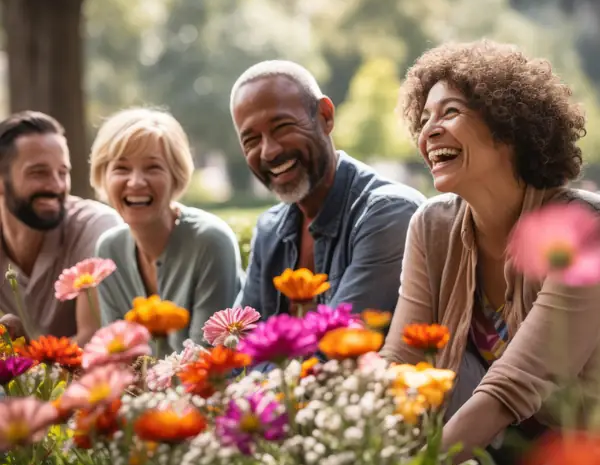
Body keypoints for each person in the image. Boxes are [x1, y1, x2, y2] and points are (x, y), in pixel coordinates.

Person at [380, 39, 600, 465]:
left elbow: (514, 385)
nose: (429, 132)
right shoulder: (431, 226)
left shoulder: (583, 230)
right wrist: (353, 448)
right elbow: (401, 362)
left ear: (508, 126)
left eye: (450, 112)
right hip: (490, 449)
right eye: (424, 119)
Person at [230, 60, 425, 318]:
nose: (269, 151)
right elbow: (237, 342)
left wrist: (260, 355)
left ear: (325, 116)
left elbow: (337, 345)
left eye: (282, 127)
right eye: (252, 140)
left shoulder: (388, 214)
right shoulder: (269, 230)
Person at [90, 108, 243, 352]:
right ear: (103, 176)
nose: (136, 182)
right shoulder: (109, 249)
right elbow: (117, 355)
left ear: (176, 176)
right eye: (121, 168)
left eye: (152, 168)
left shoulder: (211, 241)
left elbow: (206, 359)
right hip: (147, 391)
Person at [0, 111, 121, 345]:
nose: (56, 185)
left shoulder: (97, 229)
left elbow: (93, 341)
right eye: (39, 173)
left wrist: (25, 360)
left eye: (62, 173)